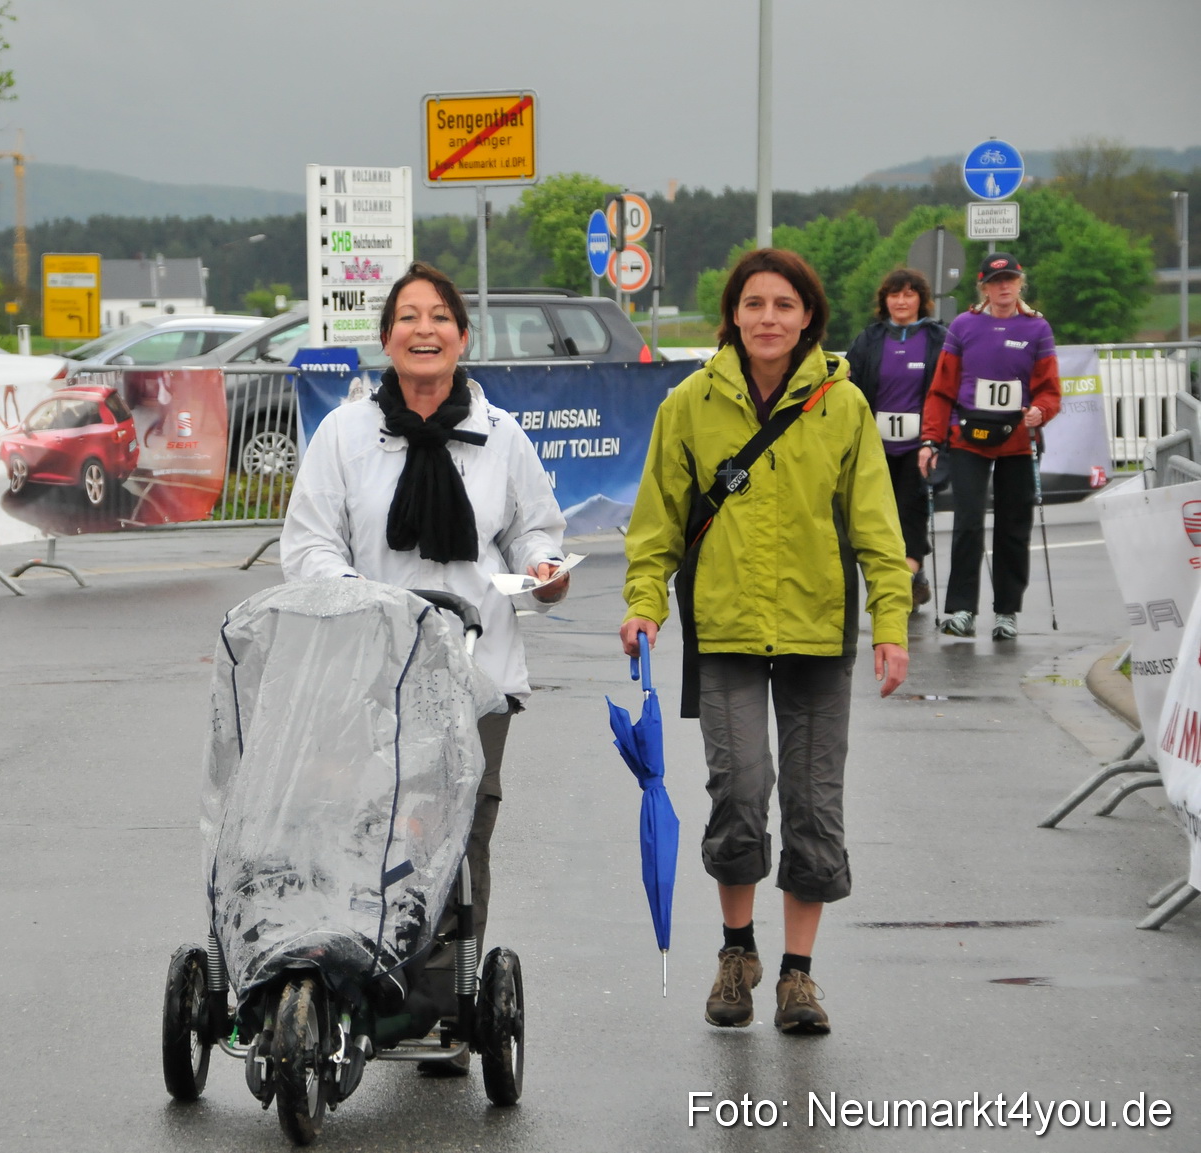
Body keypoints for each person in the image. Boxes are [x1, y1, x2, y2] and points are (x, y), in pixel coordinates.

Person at [280, 260, 566, 1065]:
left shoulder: (498, 435)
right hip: (367, 670)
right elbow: (307, 544)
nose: (424, 329)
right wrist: (366, 605)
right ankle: (352, 981)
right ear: (386, 339)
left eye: (439, 315)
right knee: (363, 825)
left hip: (475, 673)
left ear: (462, 336)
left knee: (459, 837)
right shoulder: (344, 434)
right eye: (408, 316)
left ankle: (442, 1001)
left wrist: (545, 566)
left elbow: (534, 530)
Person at [619, 248, 910, 1035]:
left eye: (784, 304)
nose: (768, 318)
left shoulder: (842, 405)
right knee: (739, 792)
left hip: (818, 631)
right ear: (733, 314)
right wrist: (644, 604)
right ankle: (738, 950)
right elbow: (656, 523)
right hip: (726, 630)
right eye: (754, 304)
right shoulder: (689, 402)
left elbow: (877, 528)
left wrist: (890, 621)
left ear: (808, 315)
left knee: (814, 808)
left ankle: (798, 975)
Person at [917, 253, 1061, 641]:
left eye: (1011, 279)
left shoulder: (1037, 328)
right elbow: (941, 389)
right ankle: (962, 609)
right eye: (996, 282)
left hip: (1017, 441)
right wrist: (931, 439)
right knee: (967, 522)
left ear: (1020, 283)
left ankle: (1006, 612)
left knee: (1014, 526)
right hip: (969, 439)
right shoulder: (964, 326)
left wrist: (1040, 412)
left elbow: (1050, 390)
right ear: (984, 287)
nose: (1004, 287)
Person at [846, 269, 948, 610]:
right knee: (877, 520)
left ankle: (898, 590)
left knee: (911, 514)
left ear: (921, 299)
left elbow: (949, 388)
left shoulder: (937, 338)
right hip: (875, 448)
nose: (901, 301)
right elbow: (851, 389)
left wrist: (935, 440)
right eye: (894, 295)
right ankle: (909, 579)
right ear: (884, 300)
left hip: (919, 447)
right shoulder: (869, 340)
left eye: (908, 294)